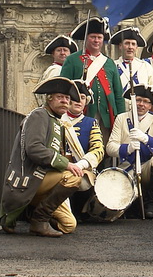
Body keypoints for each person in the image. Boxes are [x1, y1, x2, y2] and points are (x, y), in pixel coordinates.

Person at [0, 77, 86, 237]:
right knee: (73, 177)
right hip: (30, 179)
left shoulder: (55, 121)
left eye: (67, 98)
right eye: (60, 97)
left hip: (45, 180)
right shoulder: (39, 115)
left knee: (68, 225)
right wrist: (66, 164)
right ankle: (39, 221)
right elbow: (34, 149)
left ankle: (31, 213)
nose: (65, 101)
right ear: (49, 98)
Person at [106, 84, 153, 219]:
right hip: (126, 168)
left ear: (150, 106)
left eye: (146, 102)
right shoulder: (121, 118)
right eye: (138, 100)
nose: (141, 104)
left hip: (146, 167)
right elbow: (110, 147)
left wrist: (146, 139)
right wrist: (127, 148)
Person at [60, 17, 125, 143]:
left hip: (107, 116)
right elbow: (64, 88)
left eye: (99, 37)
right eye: (93, 37)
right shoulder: (72, 60)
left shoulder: (109, 63)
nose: (96, 40)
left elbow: (118, 94)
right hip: (82, 113)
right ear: (86, 38)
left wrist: (121, 117)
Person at [61, 79, 105, 222]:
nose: (79, 101)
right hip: (59, 166)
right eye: (75, 97)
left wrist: (82, 164)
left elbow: (98, 149)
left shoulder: (91, 123)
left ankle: (78, 212)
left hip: (81, 168)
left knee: (84, 182)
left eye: (83, 97)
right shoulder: (57, 120)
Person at [110, 26, 153, 97]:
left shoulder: (145, 67)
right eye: (127, 43)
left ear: (136, 47)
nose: (130, 47)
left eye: (133, 44)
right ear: (120, 46)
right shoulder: (112, 66)